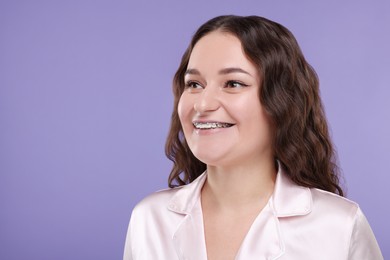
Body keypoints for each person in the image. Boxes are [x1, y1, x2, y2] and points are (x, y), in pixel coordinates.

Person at [123, 15, 383, 260]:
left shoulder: (339, 225)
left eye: (233, 84)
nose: (202, 104)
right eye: (194, 84)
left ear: (282, 102)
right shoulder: (149, 219)